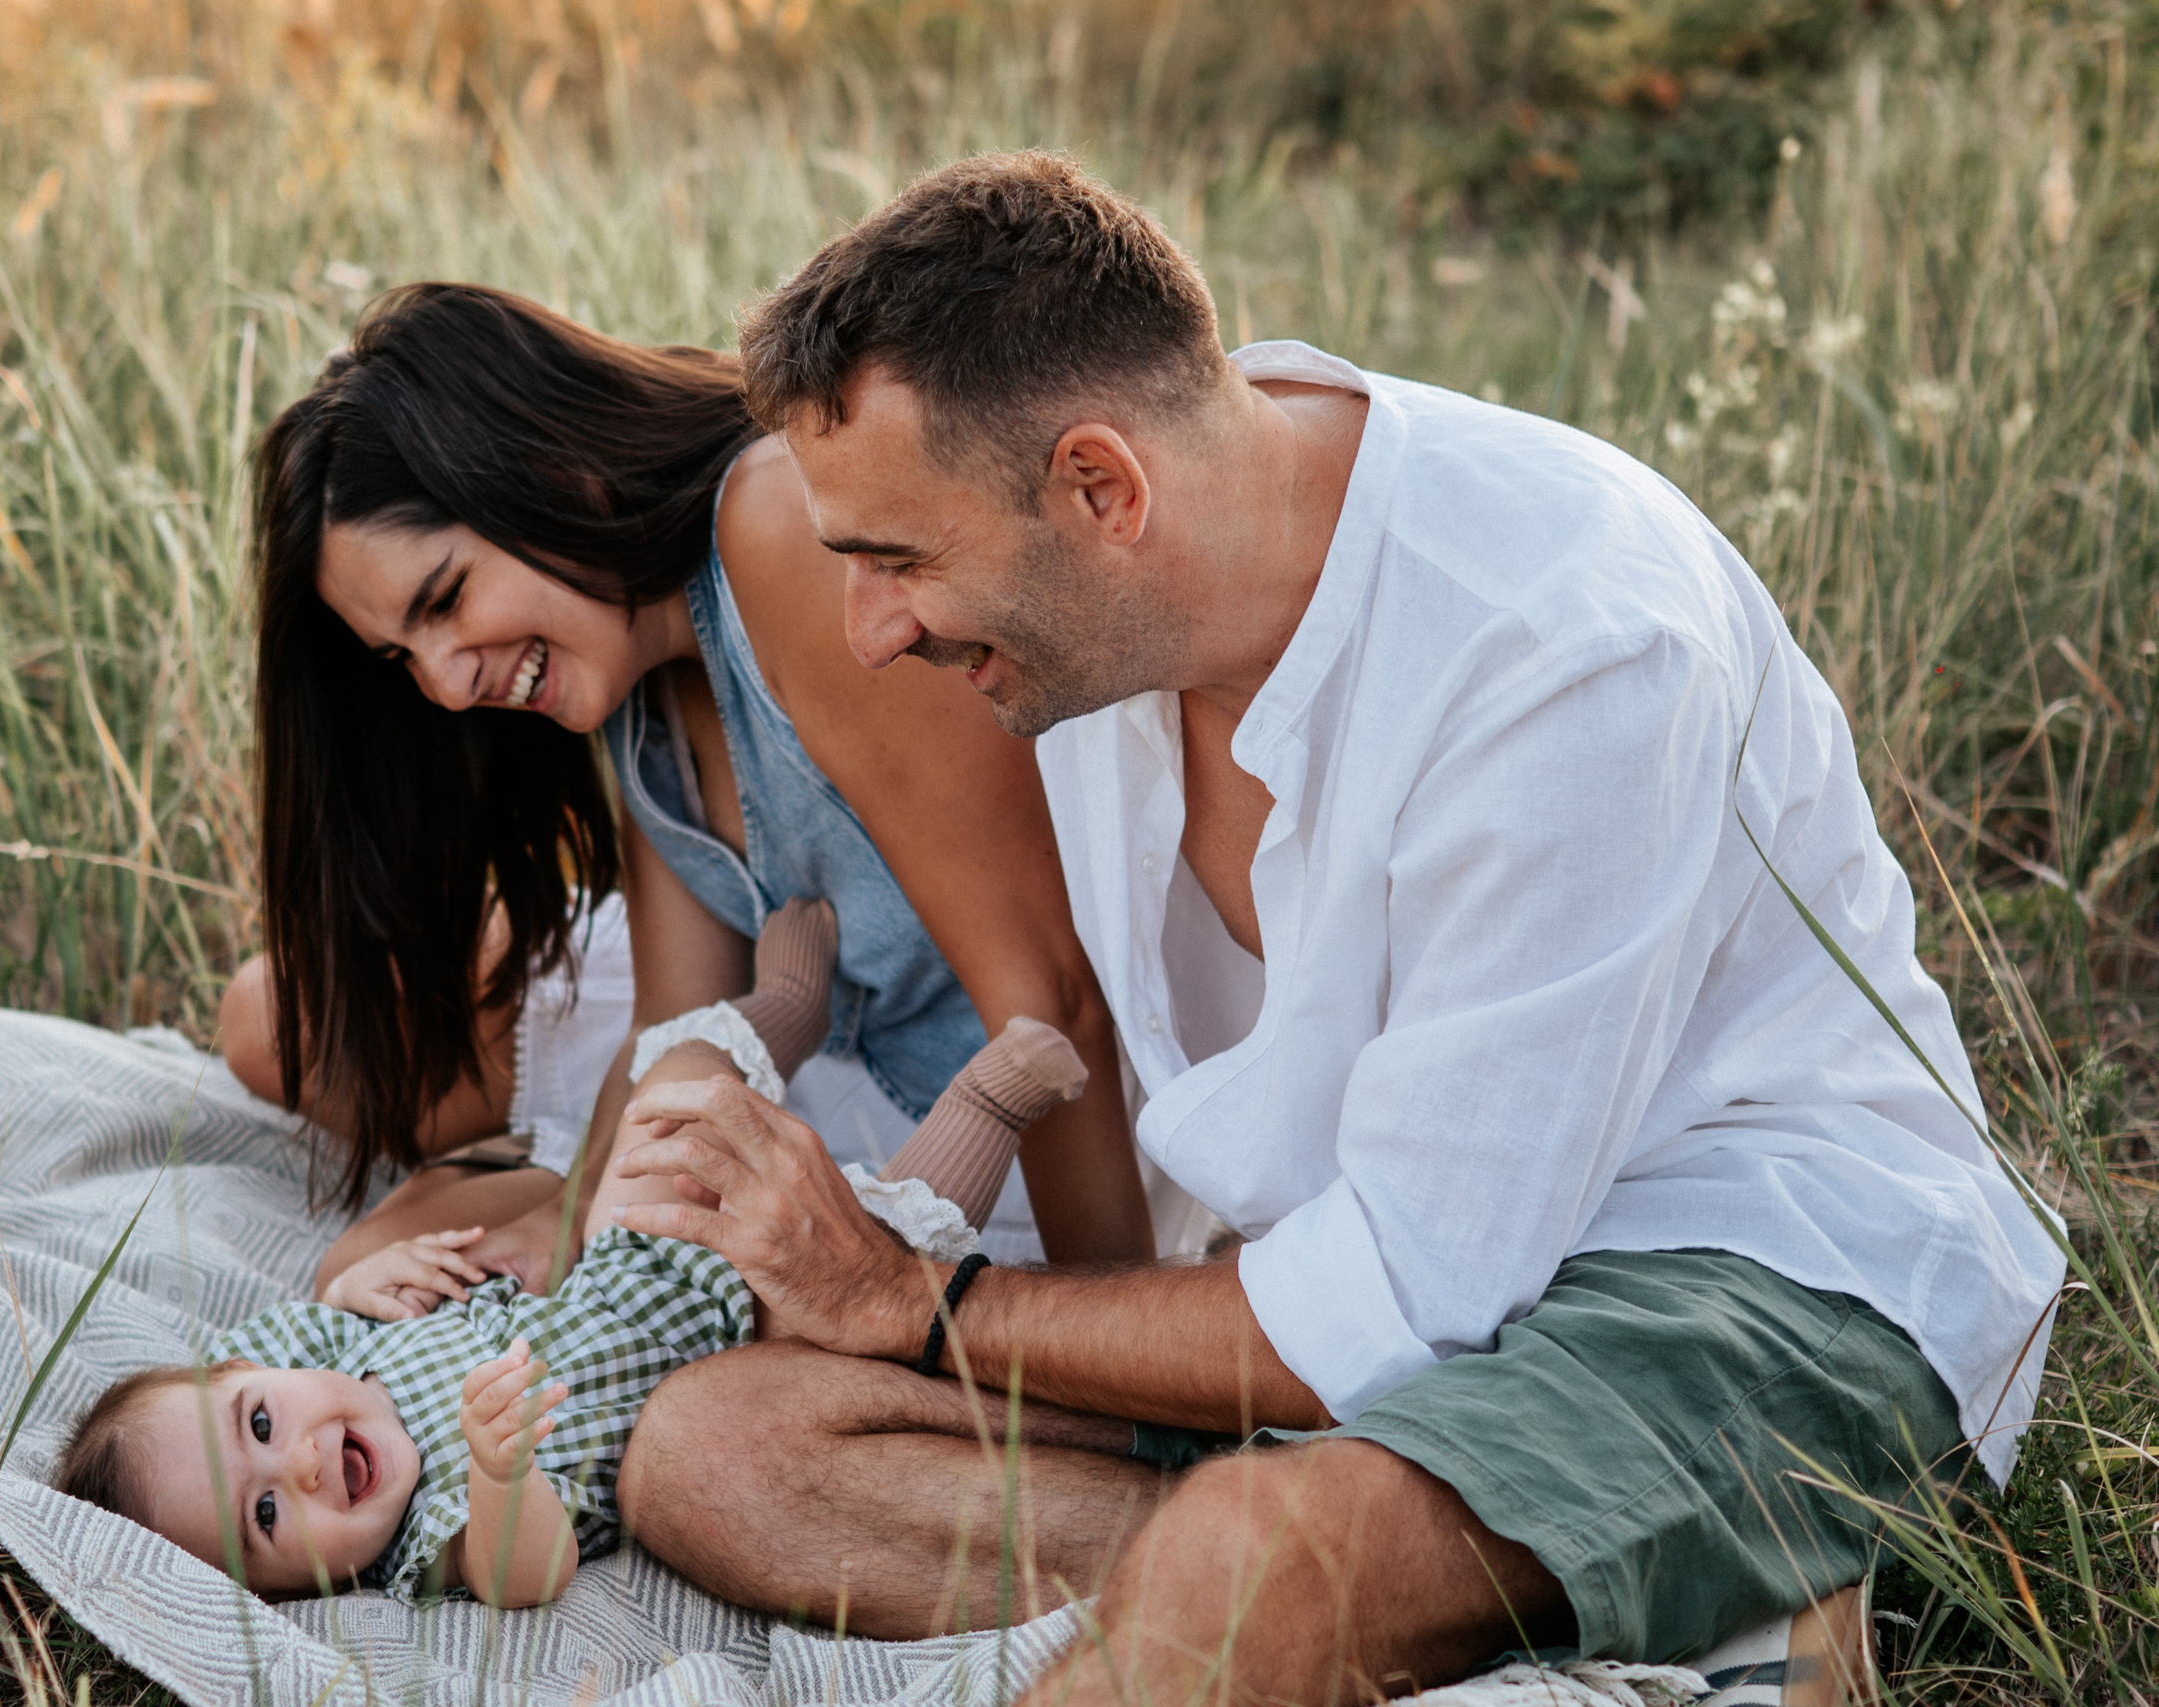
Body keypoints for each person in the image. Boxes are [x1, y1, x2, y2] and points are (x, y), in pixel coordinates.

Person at [599, 153, 2069, 1698]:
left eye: (898, 558)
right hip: (1362, 1303)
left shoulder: (1567, 643)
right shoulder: (1109, 614)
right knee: (718, 1450)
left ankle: (1357, 1570)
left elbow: (1407, 1296)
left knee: (1256, 1566)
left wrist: (932, 1301)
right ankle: (1587, 1597)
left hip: (1741, 1276)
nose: (872, 631)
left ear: (1102, 488)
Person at [217, 283, 1154, 1289]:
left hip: (1071, 1115)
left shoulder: (776, 530)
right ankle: (510, 1174)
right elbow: (680, 1020)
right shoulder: (633, 682)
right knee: (322, 1115)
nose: (448, 687)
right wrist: (569, 1223)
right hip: (861, 1057)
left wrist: (1109, 1340)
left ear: (553, 472)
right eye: (403, 658)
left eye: (445, 600)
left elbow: (1053, 1004)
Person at [55, 903, 1097, 1606]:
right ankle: (991, 1103)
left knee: (668, 1105)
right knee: (872, 1251)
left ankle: (783, 1008)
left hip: (627, 1258)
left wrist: (362, 1279)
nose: (298, 1460)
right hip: (739, 1359)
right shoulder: (427, 1530)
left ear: (252, 1367)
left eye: (262, 1422)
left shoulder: (313, 1347)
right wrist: (506, 1474)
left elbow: (328, 1297)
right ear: (306, 1588)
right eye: (268, 1515)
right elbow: (525, 1572)